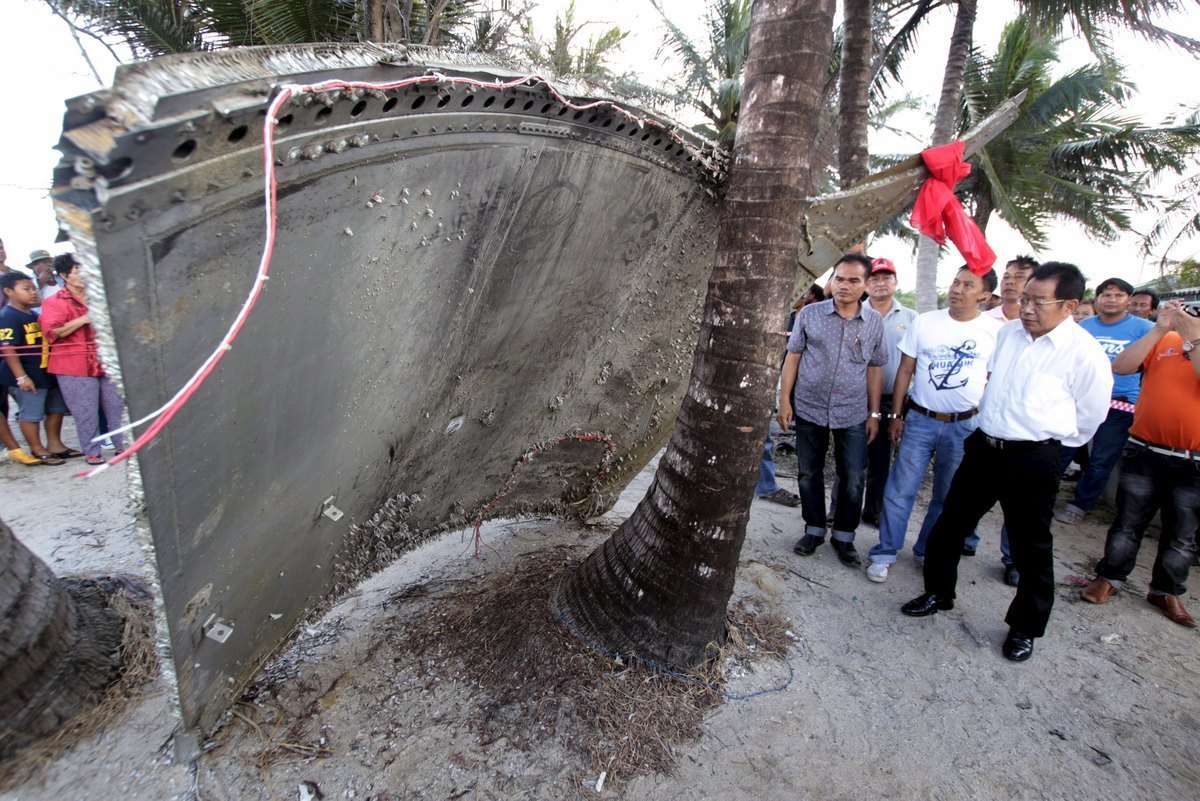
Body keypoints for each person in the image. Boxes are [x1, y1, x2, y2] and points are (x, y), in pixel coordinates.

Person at [900, 262, 1112, 663]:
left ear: (1069, 305)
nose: (1026, 308)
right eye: (1024, 299)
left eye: (1038, 302)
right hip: (984, 447)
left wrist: (1047, 445)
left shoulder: (1084, 353)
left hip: (1033, 458)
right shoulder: (1008, 333)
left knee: (1031, 545)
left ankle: (1024, 627)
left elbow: (1090, 416)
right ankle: (938, 592)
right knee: (950, 525)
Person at [865, 266, 1001, 582]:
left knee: (949, 494)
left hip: (965, 426)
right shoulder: (926, 323)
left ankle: (927, 549)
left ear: (984, 294)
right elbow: (904, 371)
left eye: (968, 285)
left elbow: (994, 380)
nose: (957, 289)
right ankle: (885, 552)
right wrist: (897, 415)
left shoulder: (994, 332)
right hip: (920, 420)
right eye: (955, 281)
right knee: (901, 489)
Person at [1079, 301, 1200, 626]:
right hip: (1145, 450)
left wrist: (1194, 339)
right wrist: (1161, 328)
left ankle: (1166, 590)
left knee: (1181, 534)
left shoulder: (1189, 341)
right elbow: (1121, 365)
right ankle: (1109, 578)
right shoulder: (1164, 339)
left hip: (1194, 462)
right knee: (1127, 522)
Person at [778, 253, 886, 567]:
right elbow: (793, 357)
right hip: (810, 408)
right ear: (832, 279)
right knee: (808, 473)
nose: (844, 285)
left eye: (853, 280)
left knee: (852, 476)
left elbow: (875, 368)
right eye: (839, 278)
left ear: (865, 285)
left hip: (852, 412)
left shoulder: (874, 323)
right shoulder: (810, 315)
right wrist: (785, 400)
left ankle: (843, 536)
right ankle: (813, 530)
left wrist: (875, 413)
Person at [1055, 278, 1153, 525]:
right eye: (1106, 295)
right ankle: (1044, 492)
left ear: (1128, 300)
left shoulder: (1144, 328)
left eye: (1118, 295)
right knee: (1062, 449)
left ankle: (1080, 504)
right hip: (1079, 399)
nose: (1111, 300)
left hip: (1119, 405)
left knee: (1101, 459)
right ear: (1097, 299)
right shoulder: (1084, 326)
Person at [39, 254, 126, 464]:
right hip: (73, 365)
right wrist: (85, 319)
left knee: (117, 407)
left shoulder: (101, 296)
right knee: (85, 411)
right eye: (78, 272)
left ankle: (123, 446)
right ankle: (92, 451)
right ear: (63, 275)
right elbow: (53, 332)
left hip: (107, 361)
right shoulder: (54, 302)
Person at [859, 257, 917, 525]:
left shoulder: (911, 318)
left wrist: (898, 412)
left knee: (881, 460)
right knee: (850, 460)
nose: (880, 283)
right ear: (866, 283)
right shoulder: (854, 312)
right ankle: (839, 513)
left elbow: (913, 364)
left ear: (895, 282)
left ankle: (873, 511)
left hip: (890, 401)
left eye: (886, 277)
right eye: (874, 278)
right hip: (855, 399)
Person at [0, 272, 77, 465]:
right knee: (31, 413)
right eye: (26, 289)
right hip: (28, 375)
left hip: (45, 371)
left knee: (55, 408)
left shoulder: (33, 314)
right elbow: (8, 348)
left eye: (34, 288)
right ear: (8, 292)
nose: (33, 292)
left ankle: (55, 445)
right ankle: (37, 449)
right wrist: (21, 377)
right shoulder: (8, 316)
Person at [985, 256, 1038, 323]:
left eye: (1019, 277)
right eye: (1006, 277)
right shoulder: (984, 320)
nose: (1010, 281)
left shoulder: (1041, 322)